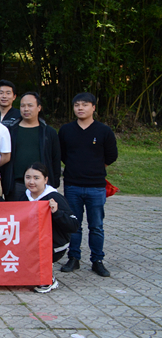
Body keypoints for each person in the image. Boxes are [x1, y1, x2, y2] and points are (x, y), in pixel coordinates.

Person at [58, 92, 118, 278]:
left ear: (93, 107)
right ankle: (73, 258)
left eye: (84, 105)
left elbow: (111, 155)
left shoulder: (103, 131)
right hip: (72, 185)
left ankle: (97, 260)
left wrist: (95, 167)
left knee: (96, 225)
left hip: (96, 186)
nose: (80, 108)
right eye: (77, 105)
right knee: (74, 224)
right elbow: (62, 154)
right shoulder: (66, 130)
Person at [21, 162, 81, 293]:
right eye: (28, 177)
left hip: (54, 244)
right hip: (30, 242)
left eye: (36, 178)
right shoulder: (22, 197)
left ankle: (48, 278)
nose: (31, 182)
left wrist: (57, 213)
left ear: (45, 179)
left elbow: (74, 225)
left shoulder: (54, 197)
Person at [3, 92, 61, 201]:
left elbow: (55, 159)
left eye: (30, 105)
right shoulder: (10, 131)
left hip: (41, 186)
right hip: (15, 184)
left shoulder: (48, 132)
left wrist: (54, 183)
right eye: (22, 106)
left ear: (39, 108)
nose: (26, 109)